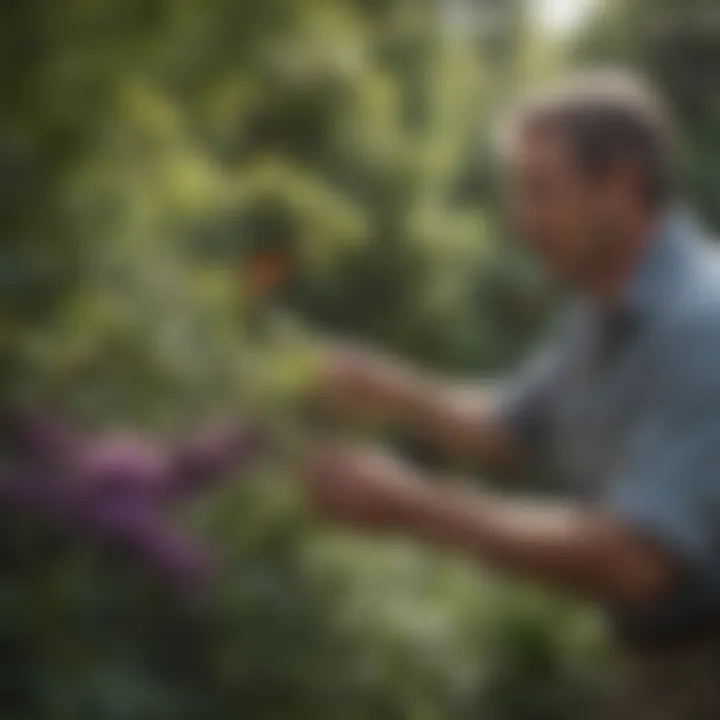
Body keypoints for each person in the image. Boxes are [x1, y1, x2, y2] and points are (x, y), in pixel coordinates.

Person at [300, 70, 720, 719]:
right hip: (661, 663)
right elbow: (509, 427)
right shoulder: (600, 310)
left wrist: (413, 507)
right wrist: (388, 388)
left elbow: (637, 560)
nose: (522, 221)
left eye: (542, 190)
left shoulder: (701, 322)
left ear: (624, 184)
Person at [0, 406, 262, 595]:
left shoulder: (155, 473)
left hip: (98, 484)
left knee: (47, 473)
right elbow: (147, 534)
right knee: (45, 477)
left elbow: (149, 533)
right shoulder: (150, 474)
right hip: (92, 487)